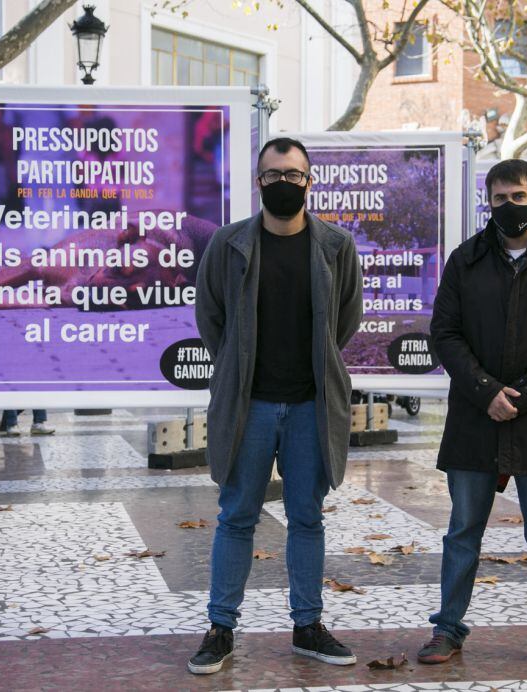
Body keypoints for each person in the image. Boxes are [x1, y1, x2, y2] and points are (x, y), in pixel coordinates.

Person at [188, 137, 363, 675]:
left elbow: (346, 320)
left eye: (293, 174)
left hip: (312, 405)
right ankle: (221, 628)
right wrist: (238, 369)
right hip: (250, 406)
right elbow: (210, 316)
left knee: (307, 517)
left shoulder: (336, 245)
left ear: (310, 181)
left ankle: (307, 625)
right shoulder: (229, 242)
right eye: (273, 174)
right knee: (236, 516)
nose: (283, 182)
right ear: (257, 181)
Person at [419, 159, 527, 672]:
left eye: (518, 196)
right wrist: (486, 391)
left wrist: (523, 393)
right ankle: (447, 629)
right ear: (488, 203)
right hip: (476, 418)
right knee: (462, 529)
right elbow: (445, 333)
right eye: (499, 199)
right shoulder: (466, 259)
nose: (509, 207)